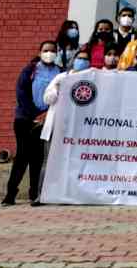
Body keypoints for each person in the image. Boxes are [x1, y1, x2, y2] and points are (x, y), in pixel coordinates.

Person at [1, 41, 61, 206]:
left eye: (52, 50)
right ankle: (10, 194)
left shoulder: (60, 72)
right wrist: (34, 114)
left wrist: (46, 115)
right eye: (46, 50)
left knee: (38, 158)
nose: (49, 53)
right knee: (22, 157)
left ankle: (34, 193)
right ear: (40, 52)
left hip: (46, 121)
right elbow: (21, 93)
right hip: (25, 120)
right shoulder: (30, 69)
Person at [32, 46, 92, 206]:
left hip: (78, 129)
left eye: (86, 59)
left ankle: (67, 195)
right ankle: (41, 195)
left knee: (73, 162)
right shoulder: (60, 77)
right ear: (74, 61)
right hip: (55, 127)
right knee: (48, 161)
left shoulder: (91, 80)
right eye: (80, 58)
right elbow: (47, 99)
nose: (82, 62)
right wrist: (58, 89)